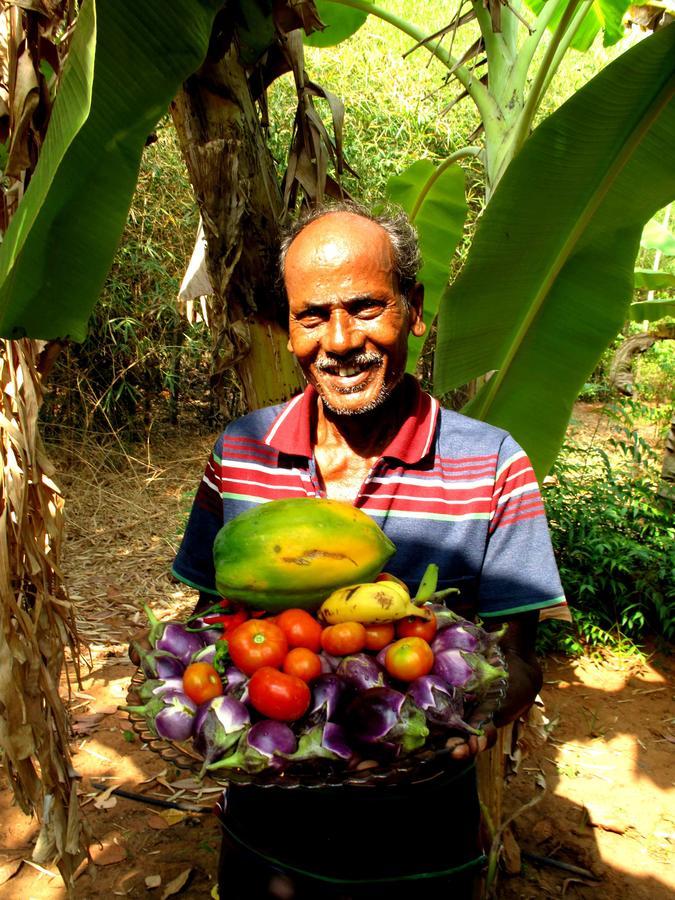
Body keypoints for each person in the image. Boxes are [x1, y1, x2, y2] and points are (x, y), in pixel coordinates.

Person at [169, 201, 567, 899]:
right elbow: (211, 617)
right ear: (288, 325)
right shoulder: (240, 452)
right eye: (312, 315)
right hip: (266, 825)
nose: (340, 339)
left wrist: (472, 710)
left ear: (413, 309)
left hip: (419, 834)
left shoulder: (492, 463)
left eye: (365, 306)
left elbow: (519, 655)